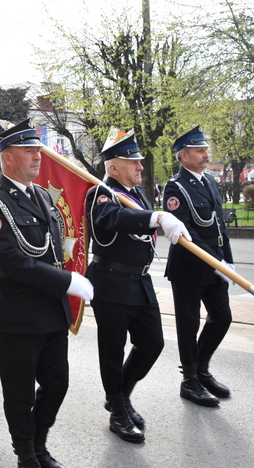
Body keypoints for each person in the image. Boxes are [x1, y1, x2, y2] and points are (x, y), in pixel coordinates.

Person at [0, 119, 94, 468]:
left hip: (49, 310)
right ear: (8, 157)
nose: (37, 158)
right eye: (29, 151)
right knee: (20, 393)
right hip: (15, 313)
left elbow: (53, 248)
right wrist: (66, 282)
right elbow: (10, 261)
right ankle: (26, 458)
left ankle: (39, 444)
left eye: (38, 151)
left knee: (57, 383)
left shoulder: (41, 196)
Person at [85, 131, 190, 443]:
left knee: (152, 343)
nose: (140, 166)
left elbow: (145, 218)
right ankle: (117, 411)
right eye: (132, 162)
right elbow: (111, 218)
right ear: (114, 167)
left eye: (139, 161)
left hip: (139, 281)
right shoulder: (101, 193)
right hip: (111, 281)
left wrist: (160, 218)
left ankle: (122, 394)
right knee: (112, 351)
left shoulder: (139, 193)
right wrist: (156, 217)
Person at [163, 126, 235, 407]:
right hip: (190, 266)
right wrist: (216, 262)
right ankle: (189, 380)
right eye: (200, 151)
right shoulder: (176, 188)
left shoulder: (209, 182)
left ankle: (202, 370)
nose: (207, 154)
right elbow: (186, 233)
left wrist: (227, 261)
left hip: (215, 263)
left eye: (206, 150)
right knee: (188, 324)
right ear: (184, 156)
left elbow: (219, 227)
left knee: (222, 316)